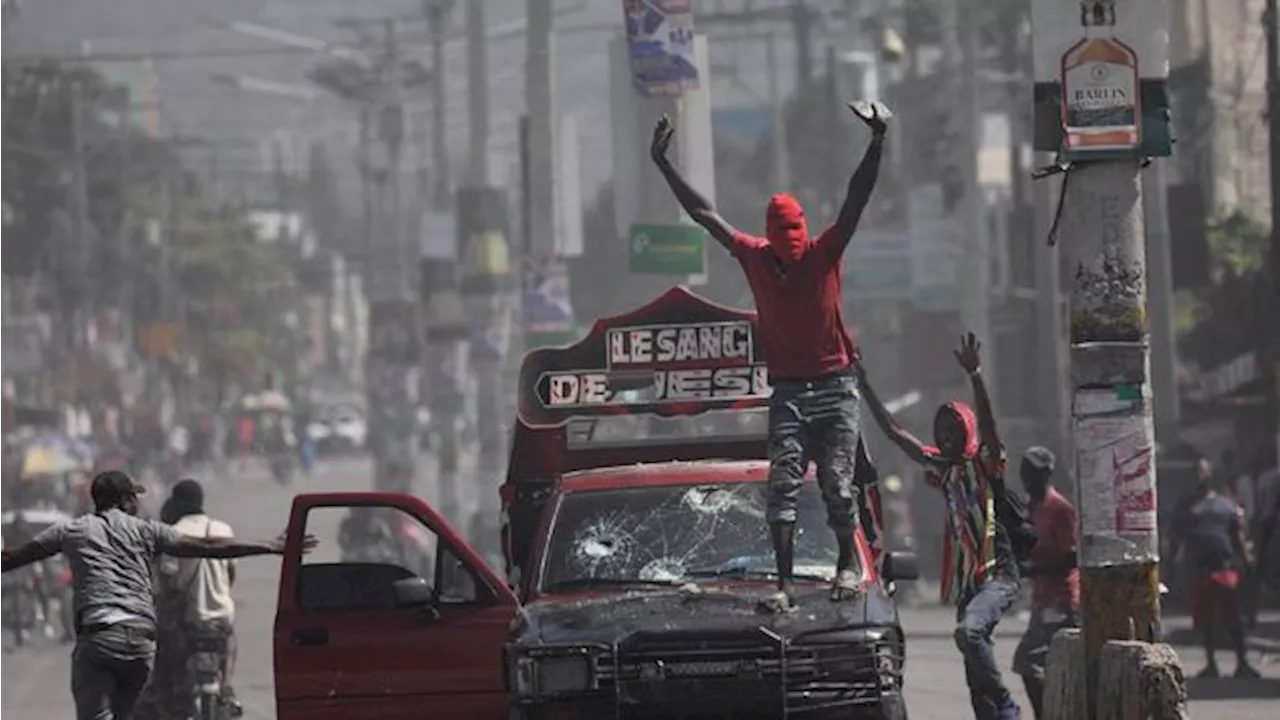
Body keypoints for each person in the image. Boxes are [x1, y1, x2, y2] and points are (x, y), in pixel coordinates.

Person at [649, 100, 887, 610]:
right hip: (788, 390)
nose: (789, 256)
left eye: (795, 246)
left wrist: (877, 142)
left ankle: (847, 563)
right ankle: (783, 585)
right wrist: (664, 165)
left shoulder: (824, 253)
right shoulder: (755, 256)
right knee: (781, 489)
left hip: (836, 386)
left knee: (838, 487)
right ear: (771, 241)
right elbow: (703, 214)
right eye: (783, 249)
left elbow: (856, 198)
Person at [0, 470, 312, 720]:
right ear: (124, 501)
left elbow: (13, 559)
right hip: (140, 643)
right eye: (133, 498)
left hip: (98, 640)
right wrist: (269, 546)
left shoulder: (71, 531)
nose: (137, 504)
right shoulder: (146, 530)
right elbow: (209, 547)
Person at [855, 334, 1022, 719]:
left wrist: (975, 375)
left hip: (998, 575)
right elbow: (896, 434)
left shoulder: (986, 463)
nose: (946, 436)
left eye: (954, 430)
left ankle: (1008, 707)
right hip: (968, 583)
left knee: (969, 634)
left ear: (968, 430)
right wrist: (864, 384)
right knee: (972, 667)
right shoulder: (943, 470)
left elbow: (992, 426)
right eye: (941, 430)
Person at [158, 479, 243, 717]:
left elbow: (167, 580)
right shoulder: (223, 530)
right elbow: (230, 573)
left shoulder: (173, 533)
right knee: (229, 641)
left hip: (188, 619)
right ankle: (227, 688)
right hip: (221, 616)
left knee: (170, 668)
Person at [1169, 458, 1260, 679]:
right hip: (1199, 571)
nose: (1198, 476)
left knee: (1234, 618)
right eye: (1194, 473)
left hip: (1224, 568)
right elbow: (1175, 539)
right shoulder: (1184, 507)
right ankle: (1211, 664)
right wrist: (1172, 567)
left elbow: (1237, 536)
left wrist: (1248, 562)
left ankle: (1242, 662)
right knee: (1205, 620)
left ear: (1210, 475)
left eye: (1201, 472)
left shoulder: (1225, 504)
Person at [1011, 447, 1080, 720]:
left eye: (1033, 472)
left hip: (1062, 599)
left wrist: (1036, 569)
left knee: (1029, 661)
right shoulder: (1032, 507)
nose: (1027, 477)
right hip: (1042, 599)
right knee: (1046, 665)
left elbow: (1072, 557)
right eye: (1025, 470)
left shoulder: (1060, 509)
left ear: (1045, 475)